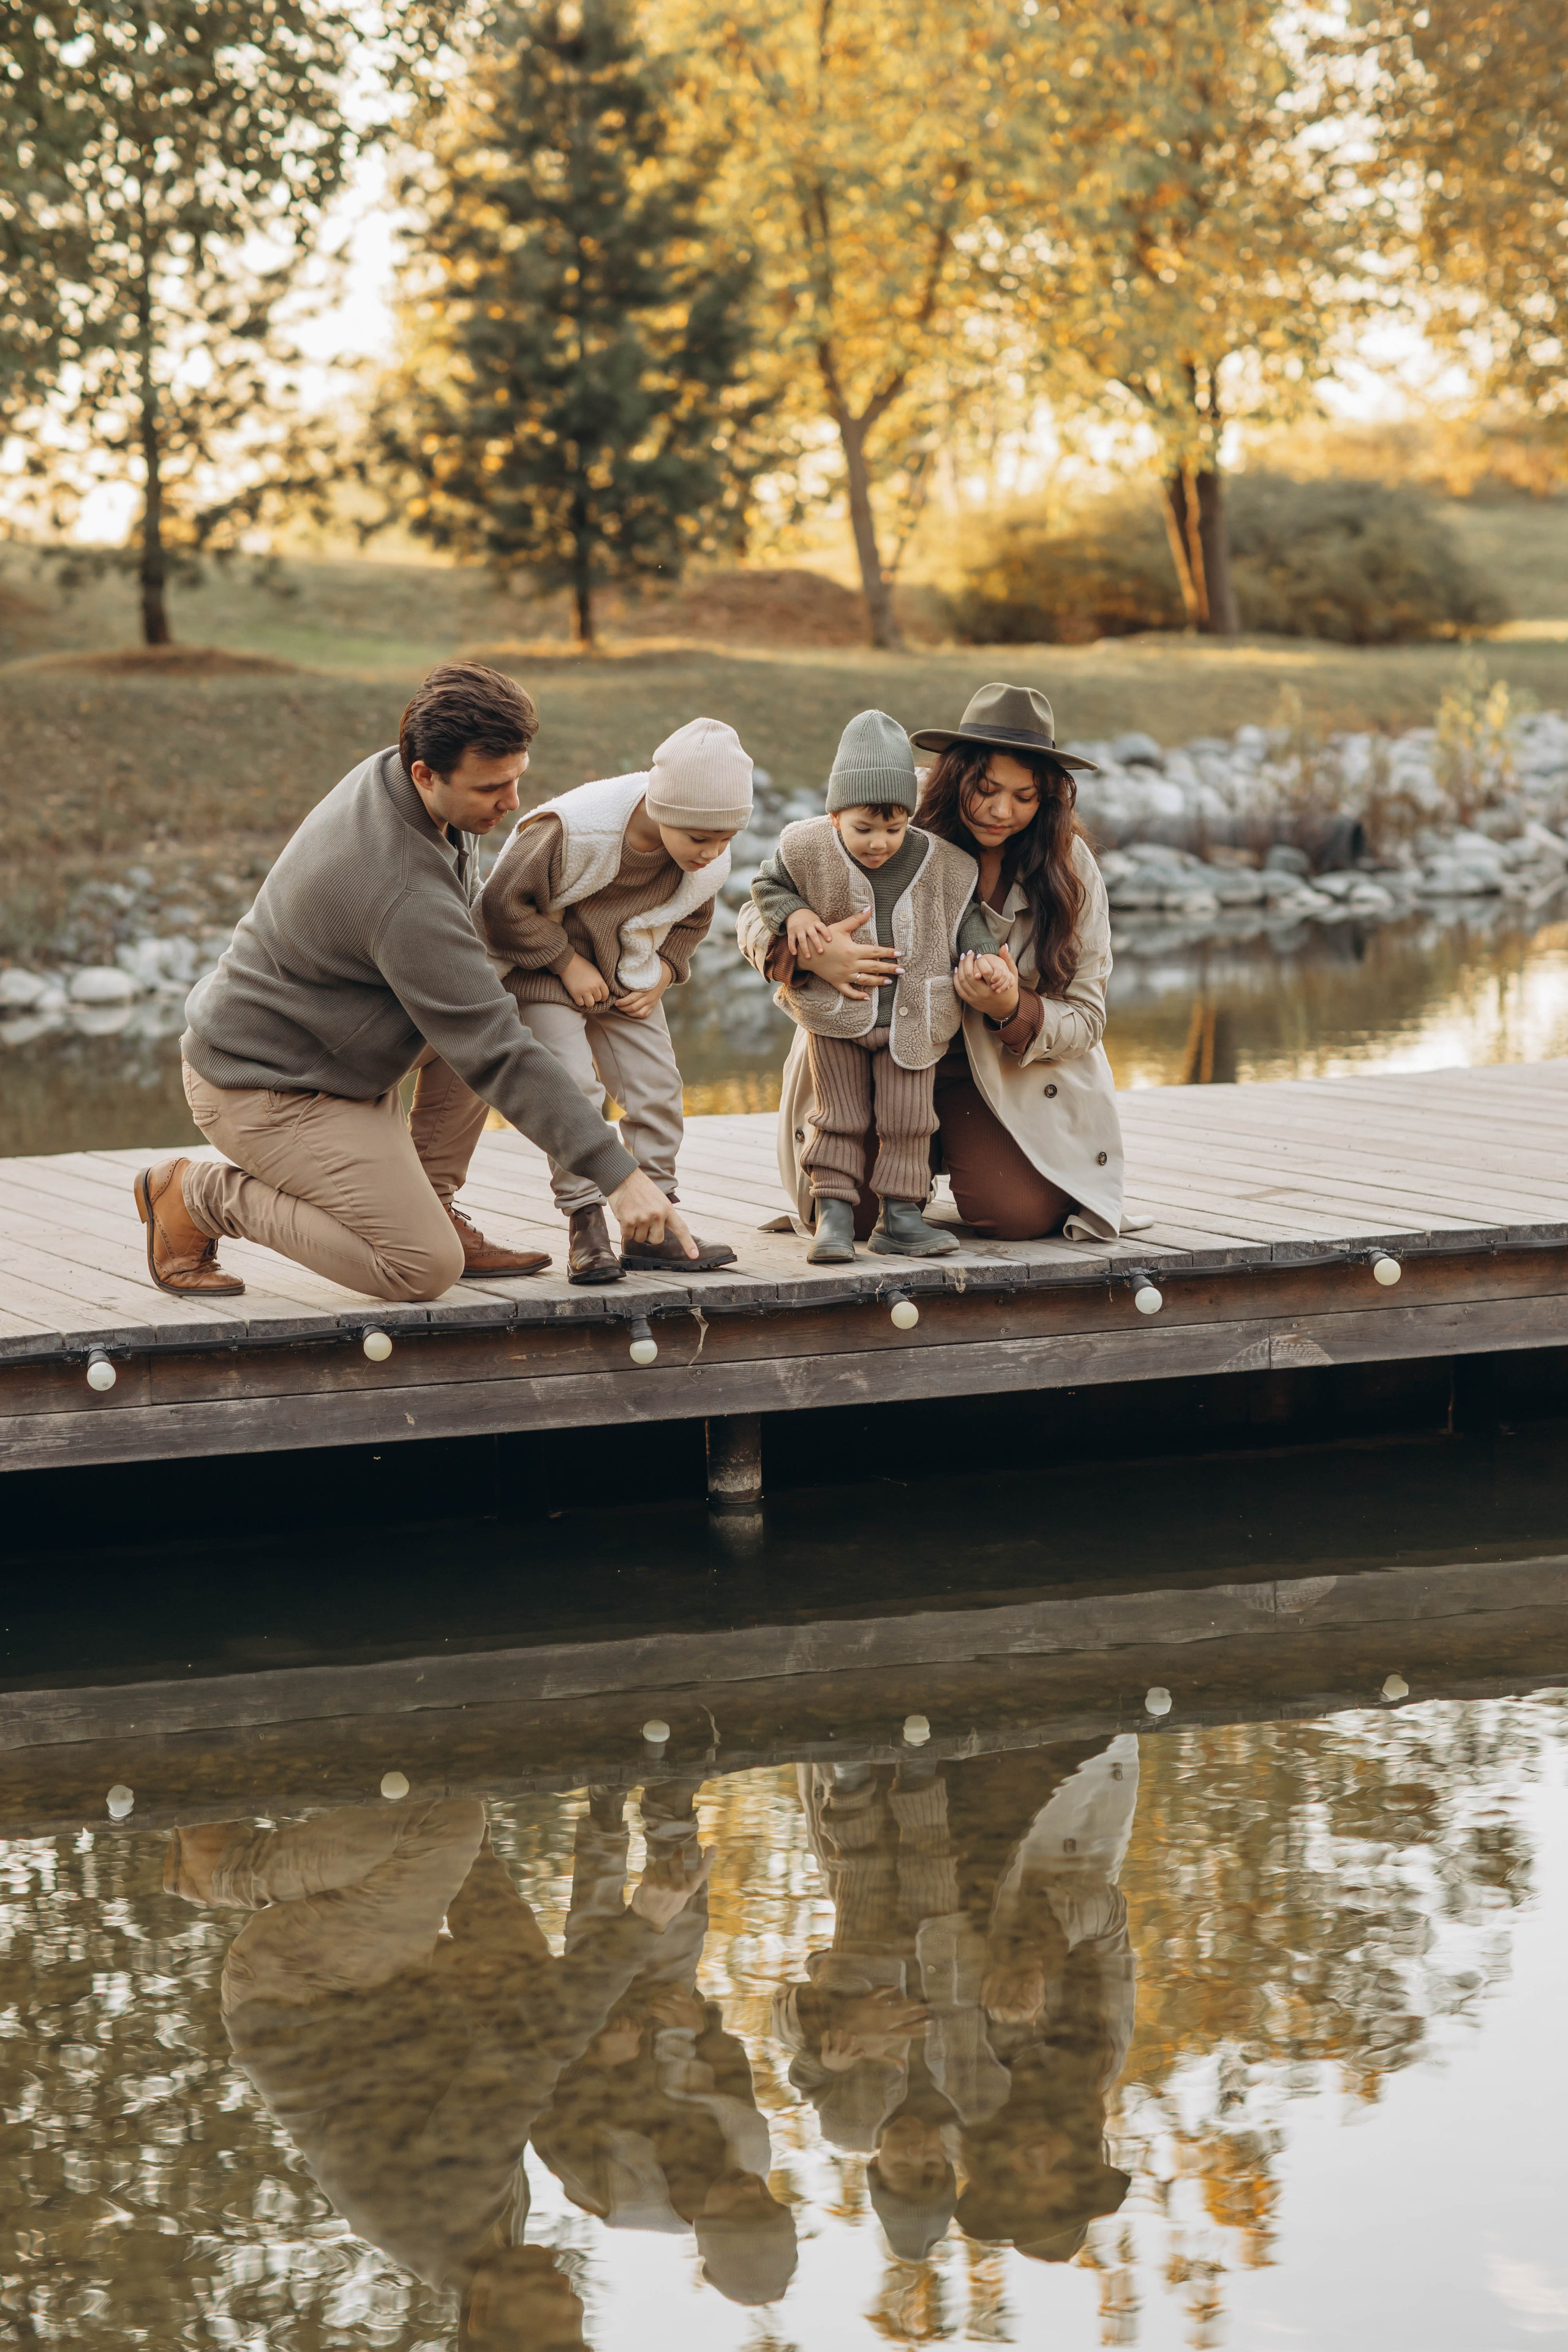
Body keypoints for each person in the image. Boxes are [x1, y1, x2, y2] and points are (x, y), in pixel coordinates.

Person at [137, 661, 698, 1303]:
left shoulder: (408, 781)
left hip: (342, 1052)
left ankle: (432, 1204)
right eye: (491, 787)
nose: (512, 802)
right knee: (420, 1266)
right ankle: (197, 1196)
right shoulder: (400, 886)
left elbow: (481, 1011)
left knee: (496, 1001)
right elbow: (495, 1050)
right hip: (267, 1086)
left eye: (517, 778)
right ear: (426, 774)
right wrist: (620, 1176)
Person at [162, 1795, 715, 2350]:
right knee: (529, 1981)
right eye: (580, 2325)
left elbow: (529, 2047)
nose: (573, 2297)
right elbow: (523, 2076)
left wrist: (645, 1920)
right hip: (391, 2005)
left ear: (482, 2314)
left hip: (301, 1985)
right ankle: (463, 1830)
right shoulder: (485, 2245)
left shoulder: (452, 2212)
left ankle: (223, 1870)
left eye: (553, 2314)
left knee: (442, 1821)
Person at [738, 682, 1125, 1243]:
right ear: (955, 774)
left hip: (994, 1075)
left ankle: (950, 1161)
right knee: (849, 1216)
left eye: (1024, 796)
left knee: (1015, 1217)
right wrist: (816, 953)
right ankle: (903, 1191)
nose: (1001, 811)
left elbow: (1088, 1016)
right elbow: (756, 911)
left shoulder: (1069, 866)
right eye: (986, 789)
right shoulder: (891, 807)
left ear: (1048, 798)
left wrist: (1012, 1007)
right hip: (866, 1054)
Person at [480, 717, 749, 1284]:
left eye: (726, 840)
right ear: (662, 807)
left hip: (628, 977)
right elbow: (502, 905)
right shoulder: (575, 831)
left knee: (658, 1089)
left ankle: (653, 1227)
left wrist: (665, 973)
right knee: (574, 1089)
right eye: (700, 839)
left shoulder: (708, 857)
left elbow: (692, 919)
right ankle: (586, 1223)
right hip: (546, 974)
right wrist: (565, 961)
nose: (712, 853)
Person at [747, 709, 1000, 1263]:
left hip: (914, 1019)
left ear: (910, 816)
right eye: (863, 829)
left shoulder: (942, 863)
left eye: (894, 828)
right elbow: (767, 885)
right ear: (835, 815)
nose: (879, 843)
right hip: (836, 1015)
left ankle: (902, 1218)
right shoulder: (807, 847)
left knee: (910, 1121)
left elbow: (964, 917)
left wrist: (983, 957)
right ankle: (833, 1217)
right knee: (837, 1117)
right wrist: (794, 916)